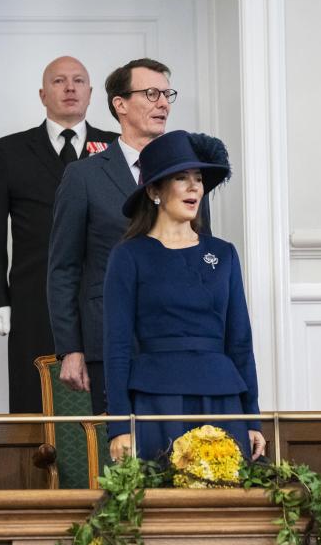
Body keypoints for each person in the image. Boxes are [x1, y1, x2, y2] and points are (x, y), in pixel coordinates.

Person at [47, 58, 210, 415]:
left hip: (179, 343)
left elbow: (203, 261)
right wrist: (70, 349)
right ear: (119, 104)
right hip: (109, 342)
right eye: (151, 93)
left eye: (167, 94)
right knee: (123, 454)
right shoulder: (83, 176)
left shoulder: (190, 177)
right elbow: (63, 269)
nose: (163, 103)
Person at [104, 130, 265, 462]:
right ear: (154, 191)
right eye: (181, 178)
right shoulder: (129, 256)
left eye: (199, 179)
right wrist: (119, 424)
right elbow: (116, 346)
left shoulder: (224, 254)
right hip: (157, 399)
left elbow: (240, 342)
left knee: (228, 507)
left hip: (223, 399)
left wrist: (252, 419)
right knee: (161, 505)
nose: (195, 187)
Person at [0, 56, 118, 413]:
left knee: (104, 402)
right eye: (59, 81)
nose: (70, 88)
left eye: (78, 81)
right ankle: (35, 471)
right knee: (34, 403)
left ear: (90, 93)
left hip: (104, 296)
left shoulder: (117, 149)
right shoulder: (9, 151)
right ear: (42, 94)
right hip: (33, 299)